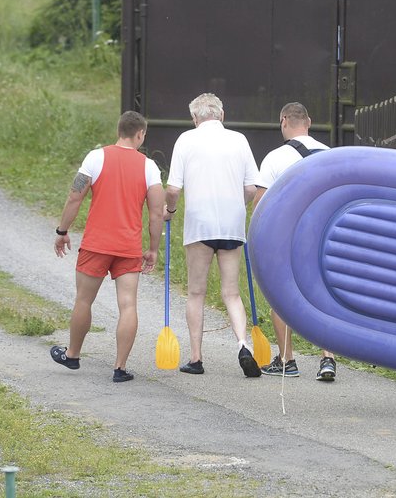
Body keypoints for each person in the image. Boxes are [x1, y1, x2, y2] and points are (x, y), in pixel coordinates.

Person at [50, 111, 164, 383]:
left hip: (96, 244)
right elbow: (157, 212)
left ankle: (73, 354)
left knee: (83, 300)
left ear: (118, 130)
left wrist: (62, 231)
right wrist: (153, 248)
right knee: (128, 305)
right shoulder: (149, 166)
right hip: (128, 247)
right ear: (140, 134)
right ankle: (120, 367)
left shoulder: (95, 157)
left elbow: (75, 195)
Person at [165, 93, 261, 377]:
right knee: (231, 292)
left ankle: (196, 359)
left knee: (196, 291)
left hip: (200, 225)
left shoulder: (186, 139)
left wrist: (170, 210)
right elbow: (252, 188)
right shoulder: (239, 140)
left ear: (195, 118)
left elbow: (173, 189)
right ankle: (244, 345)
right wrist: (236, 206)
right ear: (222, 114)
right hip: (232, 223)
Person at [252, 102, 338, 381]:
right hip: (323, 236)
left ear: (283, 120)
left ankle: (288, 360)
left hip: (288, 237)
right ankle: (328, 358)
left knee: (281, 295)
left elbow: (260, 204)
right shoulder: (329, 155)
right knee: (323, 295)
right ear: (309, 121)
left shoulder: (275, 158)